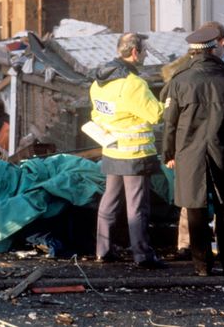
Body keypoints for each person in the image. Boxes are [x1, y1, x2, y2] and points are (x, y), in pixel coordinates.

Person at [163, 23, 224, 276]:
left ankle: (202, 264)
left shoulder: (179, 81)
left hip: (189, 152)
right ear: (213, 49)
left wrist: (169, 153)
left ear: (193, 53)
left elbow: (170, 122)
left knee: (195, 208)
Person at [89, 32, 166, 269]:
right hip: (134, 154)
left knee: (109, 200)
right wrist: (169, 104)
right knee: (137, 206)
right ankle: (143, 255)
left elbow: (97, 114)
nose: (144, 56)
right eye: (143, 51)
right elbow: (156, 114)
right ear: (135, 52)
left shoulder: (99, 82)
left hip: (112, 150)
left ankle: (103, 250)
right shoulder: (133, 84)